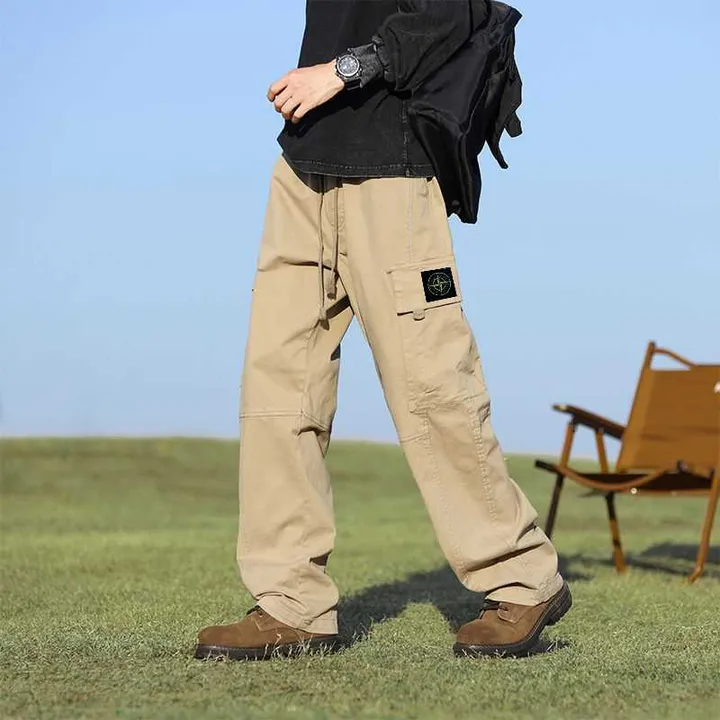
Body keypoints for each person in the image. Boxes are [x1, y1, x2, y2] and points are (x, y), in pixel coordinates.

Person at [195, 0, 571, 661]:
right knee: (278, 393)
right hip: (304, 165)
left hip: (393, 170)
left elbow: (455, 10)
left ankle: (522, 579)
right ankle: (291, 604)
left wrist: (341, 71)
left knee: (432, 387)